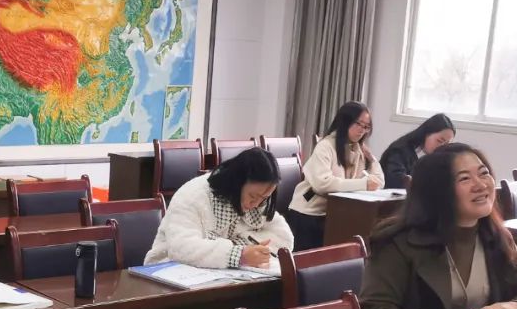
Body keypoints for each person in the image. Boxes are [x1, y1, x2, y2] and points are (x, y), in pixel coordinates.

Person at [361, 142, 517, 309]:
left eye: (484, 173)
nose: (481, 185)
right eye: (464, 179)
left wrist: (516, 308)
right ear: (437, 191)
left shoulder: (495, 236)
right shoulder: (398, 241)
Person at [145, 146, 293, 269]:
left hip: (220, 276)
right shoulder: (193, 195)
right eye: (252, 196)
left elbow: (284, 239)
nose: (255, 204)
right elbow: (182, 248)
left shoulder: (258, 201)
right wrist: (238, 254)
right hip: (168, 270)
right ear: (237, 183)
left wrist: (243, 247)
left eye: (264, 199)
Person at [286, 101, 385, 251]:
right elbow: (322, 183)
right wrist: (363, 184)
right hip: (309, 213)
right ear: (345, 121)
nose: (362, 130)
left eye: (366, 127)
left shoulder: (359, 149)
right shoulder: (326, 146)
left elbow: (379, 181)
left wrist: (371, 159)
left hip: (336, 213)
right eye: (358, 124)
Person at [379, 113, 456, 189]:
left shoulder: (441, 158)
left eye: (447, 144)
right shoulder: (400, 150)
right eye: (439, 141)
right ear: (427, 133)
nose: (442, 147)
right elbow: (395, 180)